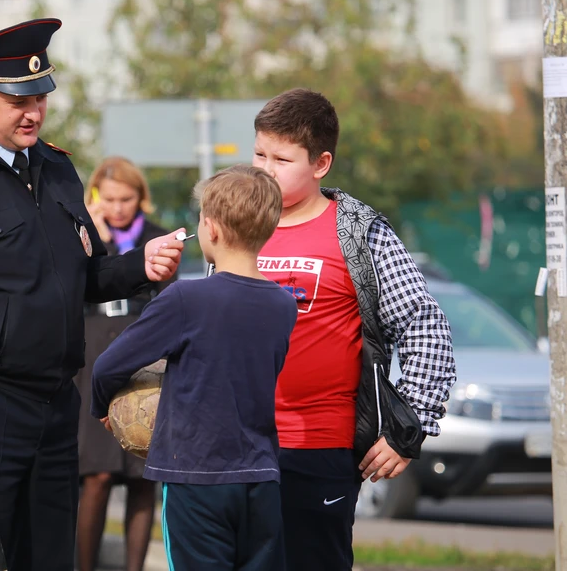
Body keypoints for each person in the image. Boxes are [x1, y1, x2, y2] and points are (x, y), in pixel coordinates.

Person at [0, 18, 185, 571]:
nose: (32, 112)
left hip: (56, 408)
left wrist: (137, 267)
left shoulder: (56, 170)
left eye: (39, 96)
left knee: (51, 558)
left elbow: (82, 278)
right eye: (15, 99)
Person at [251, 88, 457, 571]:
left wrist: (411, 428)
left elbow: (424, 324)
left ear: (321, 164)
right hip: (239, 445)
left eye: (281, 159)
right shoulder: (239, 219)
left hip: (321, 449)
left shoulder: (361, 231)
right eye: (259, 153)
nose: (264, 168)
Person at [91, 165, 297, 571]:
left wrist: (104, 408)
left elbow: (108, 366)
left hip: (195, 478)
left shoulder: (186, 298)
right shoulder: (283, 304)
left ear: (211, 229)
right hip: (260, 475)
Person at [74, 156, 170, 571]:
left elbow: (167, 295)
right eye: (109, 199)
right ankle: (85, 565)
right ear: (95, 197)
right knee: (95, 476)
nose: (117, 207)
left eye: (126, 198)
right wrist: (97, 237)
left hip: (143, 353)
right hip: (94, 350)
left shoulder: (158, 237)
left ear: (140, 198)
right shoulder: (83, 235)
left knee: (142, 477)